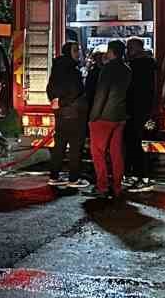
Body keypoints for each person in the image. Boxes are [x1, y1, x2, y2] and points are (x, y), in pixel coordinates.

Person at [84, 40, 132, 198]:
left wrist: (93, 117)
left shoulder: (107, 69)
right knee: (116, 153)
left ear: (111, 52)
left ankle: (102, 186)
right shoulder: (127, 69)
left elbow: (101, 94)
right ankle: (117, 187)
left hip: (104, 117)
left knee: (98, 153)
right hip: (120, 116)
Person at [45, 41, 86, 186]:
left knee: (59, 146)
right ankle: (74, 179)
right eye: (75, 50)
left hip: (60, 114)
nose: (78, 53)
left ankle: (54, 177)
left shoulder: (56, 69)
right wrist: (62, 102)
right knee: (75, 147)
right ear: (69, 52)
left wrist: (55, 101)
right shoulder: (73, 71)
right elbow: (76, 91)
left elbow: (49, 88)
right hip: (74, 114)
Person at [123, 38, 157, 193]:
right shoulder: (150, 64)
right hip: (143, 110)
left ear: (137, 49)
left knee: (135, 145)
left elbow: (131, 90)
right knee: (135, 144)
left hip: (135, 111)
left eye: (129, 48)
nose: (127, 51)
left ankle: (143, 178)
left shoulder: (136, 66)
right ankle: (139, 176)